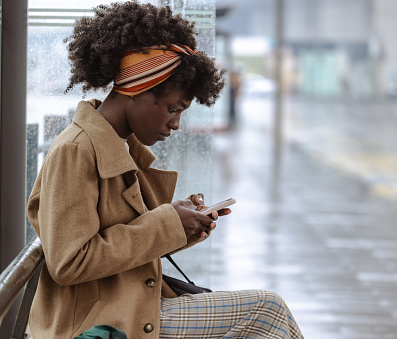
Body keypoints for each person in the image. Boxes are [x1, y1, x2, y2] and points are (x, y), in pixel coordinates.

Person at [26, 2, 304, 339]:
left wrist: (182, 229)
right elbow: (70, 262)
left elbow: (124, 241)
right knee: (267, 311)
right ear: (138, 91)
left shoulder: (114, 145)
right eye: (174, 109)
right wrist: (167, 222)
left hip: (127, 307)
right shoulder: (76, 150)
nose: (175, 124)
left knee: (267, 312)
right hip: (98, 323)